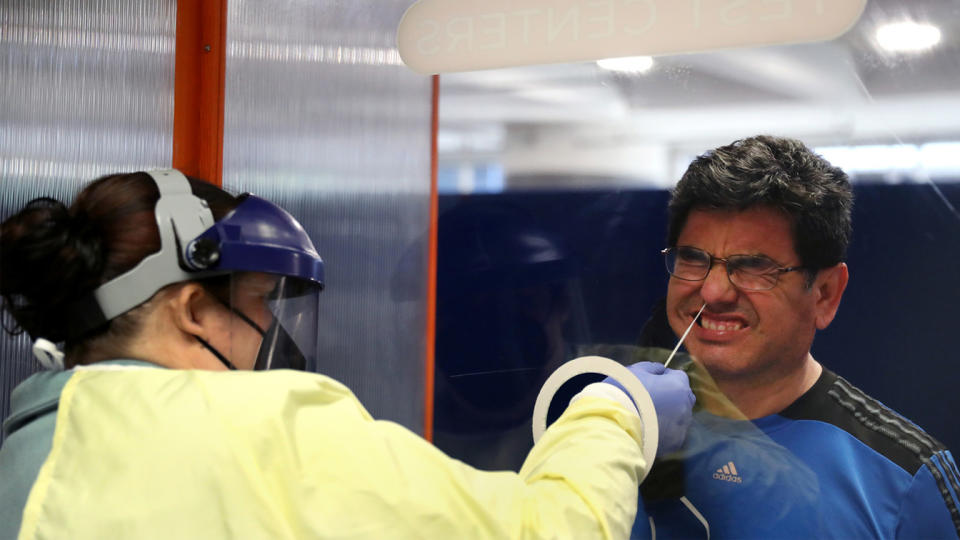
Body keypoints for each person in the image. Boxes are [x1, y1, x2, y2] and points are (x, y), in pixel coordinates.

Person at [0, 169, 695, 539]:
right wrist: (616, 410)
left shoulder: (28, 453)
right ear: (193, 308)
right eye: (262, 301)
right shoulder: (262, 428)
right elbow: (548, 533)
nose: (273, 331)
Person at [630, 135, 960, 539]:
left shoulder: (905, 476)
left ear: (825, 293)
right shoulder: (617, 432)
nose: (713, 292)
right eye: (694, 258)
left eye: (754, 266)